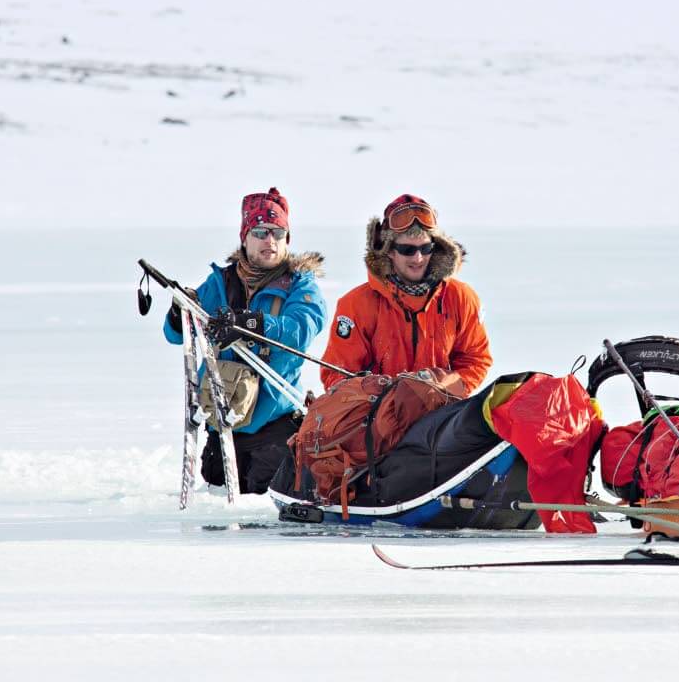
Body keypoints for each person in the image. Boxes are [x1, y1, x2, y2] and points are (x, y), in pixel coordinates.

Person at [163, 187, 325, 494]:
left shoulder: (300, 284)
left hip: (275, 429)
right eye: (261, 231)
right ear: (245, 237)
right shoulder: (221, 282)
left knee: (266, 527)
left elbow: (302, 329)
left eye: (278, 233)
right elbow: (175, 335)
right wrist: (178, 312)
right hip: (222, 425)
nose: (270, 240)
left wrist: (251, 323)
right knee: (219, 526)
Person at [320, 194, 491, 393]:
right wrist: (380, 394)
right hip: (376, 416)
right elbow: (336, 374)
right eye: (407, 250)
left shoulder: (461, 297)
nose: (418, 258)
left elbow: (476, 360)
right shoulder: (355, 304)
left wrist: (440, 389)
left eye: (425, 248)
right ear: (389, 251)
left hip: (441, 414)